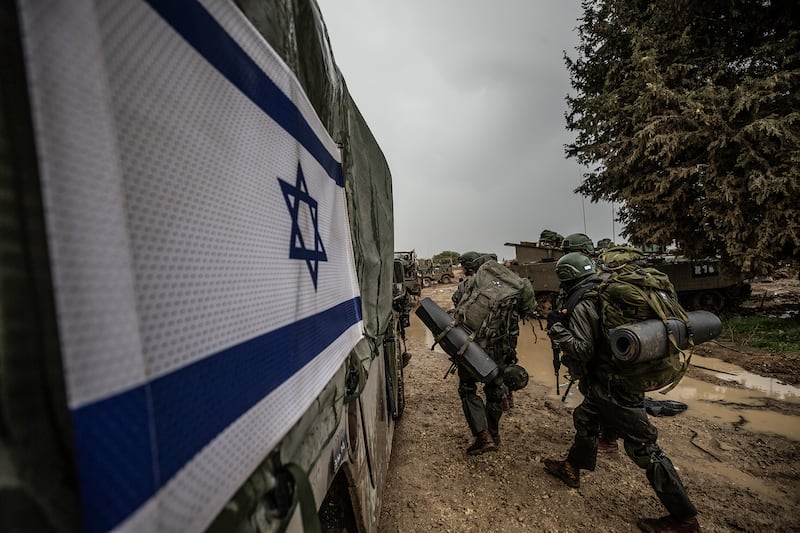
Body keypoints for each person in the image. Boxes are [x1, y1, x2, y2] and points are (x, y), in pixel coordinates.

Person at [544, 253, 701, 533]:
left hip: (614, 384)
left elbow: (583, 349)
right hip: (610, 379)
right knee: (586, 417)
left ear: (566, 277)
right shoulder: (602, 289)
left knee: (644, 448)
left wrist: (556, 327)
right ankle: (571, 468)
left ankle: (684, 518)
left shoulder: (582, 302)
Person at [451, 253, 537, 455]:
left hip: (472, 346)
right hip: (500, 349)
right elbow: (525, 313)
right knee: (495, 391)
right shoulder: (514, 287)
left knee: (467, 388)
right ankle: (495, 434)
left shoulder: (467, 286)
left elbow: (458, 308)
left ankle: (483, 436)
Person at [558, 234, 620, 453]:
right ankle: (605, 437)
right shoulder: (604, 276)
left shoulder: (588, 283)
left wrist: (559, 330)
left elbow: (585, 345)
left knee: (599, 401)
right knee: (605, 398)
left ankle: (604, 441)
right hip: (614, 352)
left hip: (601, 357)